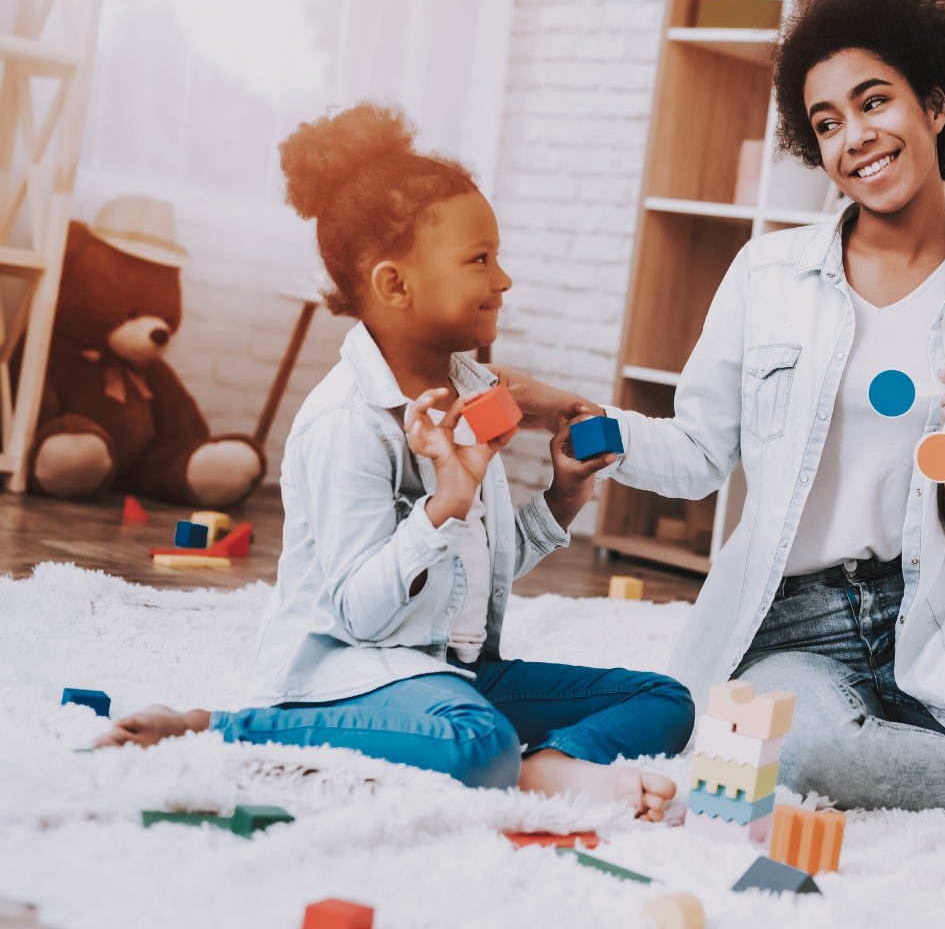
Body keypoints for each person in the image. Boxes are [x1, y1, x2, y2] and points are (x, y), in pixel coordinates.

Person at [495, 0, 945, 812]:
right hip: (787, 628)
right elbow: (698, 455)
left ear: (938, 106)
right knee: (808, 753)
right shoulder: (768, 274)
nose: (856, 137)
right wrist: (569, 413)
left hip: (936, 618)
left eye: (876, 102)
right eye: (827, 122)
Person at [95, 104, 694, 819]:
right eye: (480, 259)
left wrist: (561, 495)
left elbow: (476, 573)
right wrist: (445, 498)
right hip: (353, 673)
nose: (503, 281)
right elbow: (360, 616)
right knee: (477, 744)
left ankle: (548, 765)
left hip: (453, 667)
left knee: (664, 700)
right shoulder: (346, 423)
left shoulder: (472, 393)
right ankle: (219, 724)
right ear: (394, 285)